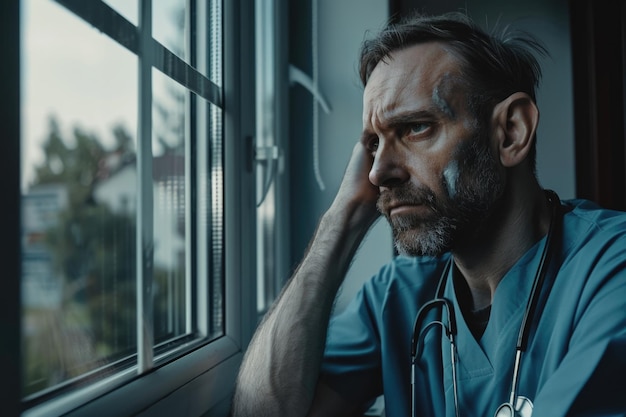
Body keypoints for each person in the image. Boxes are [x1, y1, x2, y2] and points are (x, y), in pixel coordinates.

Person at [232, 11, 626, 417]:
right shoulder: (396, 297)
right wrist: (341, 220)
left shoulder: (612, 268)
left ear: (510, 131)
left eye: (415, 128)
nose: (377, 172)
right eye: (373, 143)